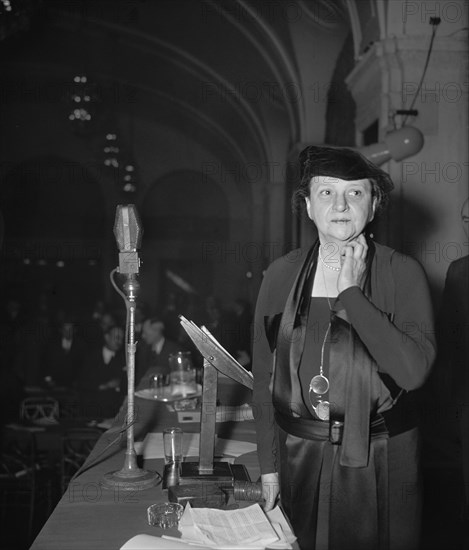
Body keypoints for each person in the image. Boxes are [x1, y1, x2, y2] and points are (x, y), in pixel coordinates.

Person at [252, 145, 436, 550]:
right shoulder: (281, 274)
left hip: (383, 457)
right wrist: (268, 468)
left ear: (373, 207)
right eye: (326, 192)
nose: (340, 204)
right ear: (307, 206)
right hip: (299, 454)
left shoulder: (402, 272)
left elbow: (411, 372)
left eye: (355, 193)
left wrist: (351, 293)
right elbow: (264, 377)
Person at [135, 315, 182, 386]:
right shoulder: (143, 350)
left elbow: (181, 377)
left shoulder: (175, 350)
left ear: (156, 331)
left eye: (145, 333)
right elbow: (139, 377)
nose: (143, 336)